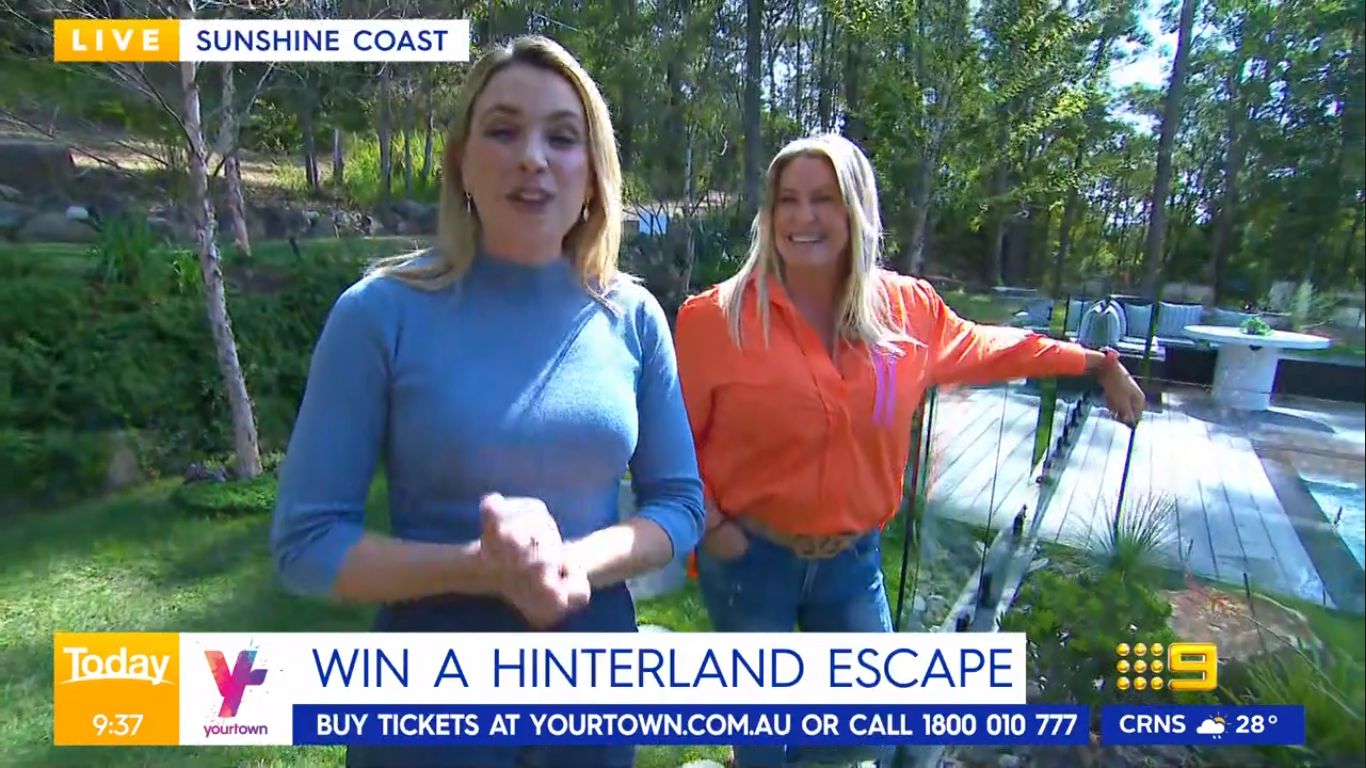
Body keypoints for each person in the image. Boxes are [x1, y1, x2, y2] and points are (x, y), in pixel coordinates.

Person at [270, 35, 704, 768]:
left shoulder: (633, 317)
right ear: (462, 163)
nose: (532, 158)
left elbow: (680, 505)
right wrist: (482, 568)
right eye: (503, 131)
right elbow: (306, 545)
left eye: (561, 137)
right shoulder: (378, 314)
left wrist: (569, 564)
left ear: (594, 173)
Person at [673, 134, 1146, 768]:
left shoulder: (907, 310)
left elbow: (992, 348)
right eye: (787, 200)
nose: (803, 217)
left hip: (851, 561)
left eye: (824, 199)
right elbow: (672, 444)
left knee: (866, 731)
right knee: (762, 743)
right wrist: (714, 528)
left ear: (857, 209)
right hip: (750, 559)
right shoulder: (717, 318)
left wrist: (1095, 362)